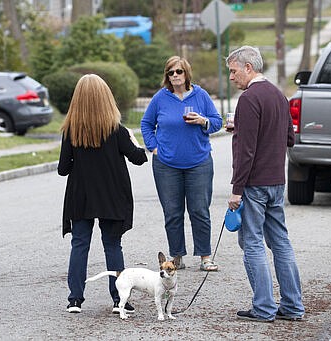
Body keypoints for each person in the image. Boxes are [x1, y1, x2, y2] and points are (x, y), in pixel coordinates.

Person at [226, 46, 305, 322]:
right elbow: (289, 139)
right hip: (276, 181)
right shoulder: (279, 95)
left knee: (253, 243)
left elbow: (245, 150)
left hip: (255, 184)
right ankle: (293, 306)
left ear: (249, 67)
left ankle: (263, 307)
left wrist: (237, 189)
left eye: (234, 71)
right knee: (281, 242)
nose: (232, 78)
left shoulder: (249, 100)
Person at [58, 74, 148, 314]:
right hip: (111, 194)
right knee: (112, 245)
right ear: (106, 98)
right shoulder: (116, 130)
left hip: (81, 194)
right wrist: (132, 136)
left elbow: (63, 169)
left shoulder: (71, 131)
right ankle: (119, 299)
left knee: (80, 245)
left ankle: (75, 299)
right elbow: (139, 158)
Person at [141, 56, 223, 271]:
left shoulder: (201, 95)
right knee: (173, 212)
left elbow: (217, 122)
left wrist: (203, 121)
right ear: (166, 76)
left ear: (187, 73)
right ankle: (177, 256)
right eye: (171, 72)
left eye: (179, 72)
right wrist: (154, 147)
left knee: (199, 211)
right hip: (167, 164)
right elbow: (146, 124)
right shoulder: (160, 98)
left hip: (199, 162)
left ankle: (205, 257)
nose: (175, 76)